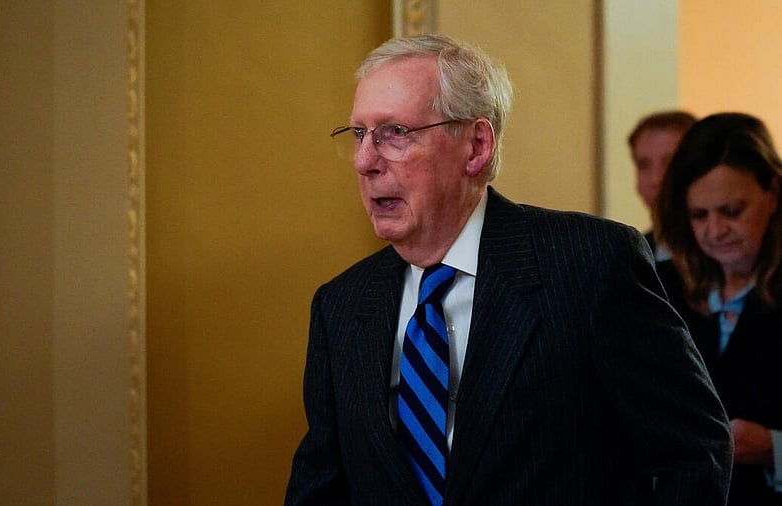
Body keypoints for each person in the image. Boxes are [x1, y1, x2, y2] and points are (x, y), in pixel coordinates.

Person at [285, 34, 732, 505]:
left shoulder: (591, 264)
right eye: (359, 134)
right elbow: (320, 488)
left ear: (476, 146)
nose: (364, 162)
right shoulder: (340, 305)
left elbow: (695, 453)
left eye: (395, 132)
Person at [654, 112, 782, 505]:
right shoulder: (659, 285)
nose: (715, 231)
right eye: (699, 215)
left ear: (774, 192)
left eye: (732, 211)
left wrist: (773, 448)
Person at [627, 110, 697, 260]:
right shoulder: (630, 257)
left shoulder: (728, 253)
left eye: (670, 163)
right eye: (643, 165)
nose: (656, 179)